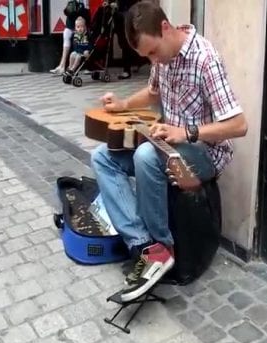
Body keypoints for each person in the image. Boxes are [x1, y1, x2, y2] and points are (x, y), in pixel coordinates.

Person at [90, 1, 247, 301]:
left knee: (145, 156)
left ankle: (163, 245)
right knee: (102, 156)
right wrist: (122, 105)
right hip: (167, 146)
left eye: (152, 52)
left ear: (165, 28)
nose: (153, 61)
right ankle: (145, 245)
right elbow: (153, 93)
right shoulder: (161, 60)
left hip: (204, 152)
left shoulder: (205, 58)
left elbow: (239, 125)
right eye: (146, 56)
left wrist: (186, 132)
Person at [50, 0, 90, 75]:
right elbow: (67, 13)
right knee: (66, 33)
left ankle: (70, 68)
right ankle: (62, 66)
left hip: (82, 25)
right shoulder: (72, 2)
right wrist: (69, 10)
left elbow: (87, 16)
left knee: (77, 37)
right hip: (73, 25)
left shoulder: (84, 3)